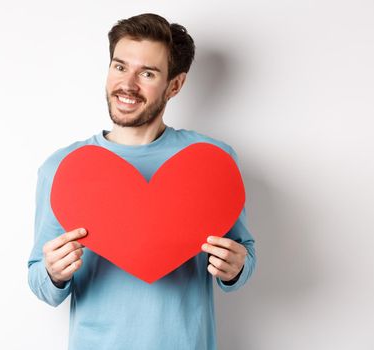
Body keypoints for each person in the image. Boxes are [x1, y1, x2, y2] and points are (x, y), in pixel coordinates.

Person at [27, 13, 256, 350]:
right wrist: (53, 272)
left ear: (174, 85)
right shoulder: (63, 168)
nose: (128, 85)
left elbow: (244, 257)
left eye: (147, 73)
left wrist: (235, 268)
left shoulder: (212, 162)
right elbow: (40, 281)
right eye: (120, 67)